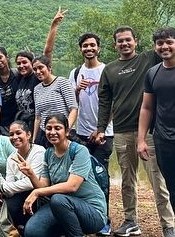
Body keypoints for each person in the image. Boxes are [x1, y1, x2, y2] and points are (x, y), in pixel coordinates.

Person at [97, 26, 174, 236]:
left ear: (136, 41)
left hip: (149, 131)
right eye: (120, 41)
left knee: (158, 180)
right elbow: (104, 102)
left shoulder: (149, 59)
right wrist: (101, 128)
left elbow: (168, 50)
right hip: (121, 130)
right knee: (127, 180)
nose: (124, 44)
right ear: (115, 45)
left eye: (128, 40)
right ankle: (131, 220)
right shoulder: (110, 70)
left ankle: (168, 224)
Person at [23, 114, 107, 237]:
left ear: (67, 131)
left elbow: (72, 186)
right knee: (33, 232)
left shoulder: (79, 151)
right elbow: (43, 186)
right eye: (49, 128)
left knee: (58, 199)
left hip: (92, 212)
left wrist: (37, 193)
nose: (52, 132)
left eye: (57, 128)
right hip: (62, 207)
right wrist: (31, 174)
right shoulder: (48, 154)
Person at [69, 32, 113, 236]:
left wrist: (102, 128)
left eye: (92, 45)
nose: (89, 48)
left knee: (101, 176)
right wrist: (77, 90)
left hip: (105, 134)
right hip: (82, 133)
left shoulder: (107, 70)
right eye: (85, 45)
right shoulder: (75, 72)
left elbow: (113, 103)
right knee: (82, 177)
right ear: (81, 49)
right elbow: (73, 104)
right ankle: (87, 216)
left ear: (99, 48)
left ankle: (104, 219)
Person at [138, 27, 175, 220]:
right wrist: (141, 140)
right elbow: (147, 108)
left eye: (169, 42)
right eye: (160, 43)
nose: (164, 46)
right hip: (163, 140)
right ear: (155, 47)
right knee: (172, 188)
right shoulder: (152, 73)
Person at [14, 7, 67, 132]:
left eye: (24, 62)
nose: (21, 66)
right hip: (23, 126)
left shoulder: (38, 77)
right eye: (18, 63)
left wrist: (53, 25)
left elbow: (47, 51)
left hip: (40, 126)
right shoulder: (19, 78)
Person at [0, 120, 45, 232]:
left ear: (28, 135)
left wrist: (2, 188)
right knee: (7, 206)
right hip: (19, 196)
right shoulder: (11, 158)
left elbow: (31, 183)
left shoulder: (39, 152)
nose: (15, 137)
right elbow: (9, 191)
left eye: (18, 133)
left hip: (38, 196)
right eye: (11, 134)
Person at [32, 55, 78, 148]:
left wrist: (66, 130)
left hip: (62, 132)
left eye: (41, 67)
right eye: (35, 69)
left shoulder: (62, 82)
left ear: (49, 67)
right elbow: (38, 117)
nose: (38, 71)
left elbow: (73, 109)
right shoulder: (37, 89)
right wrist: (34, 140)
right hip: (45, 134)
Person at [0, 47, 20, 135]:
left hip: (17, 120)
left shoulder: (18, 75)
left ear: (7, 57)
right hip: (1, 122)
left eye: (0, 57)